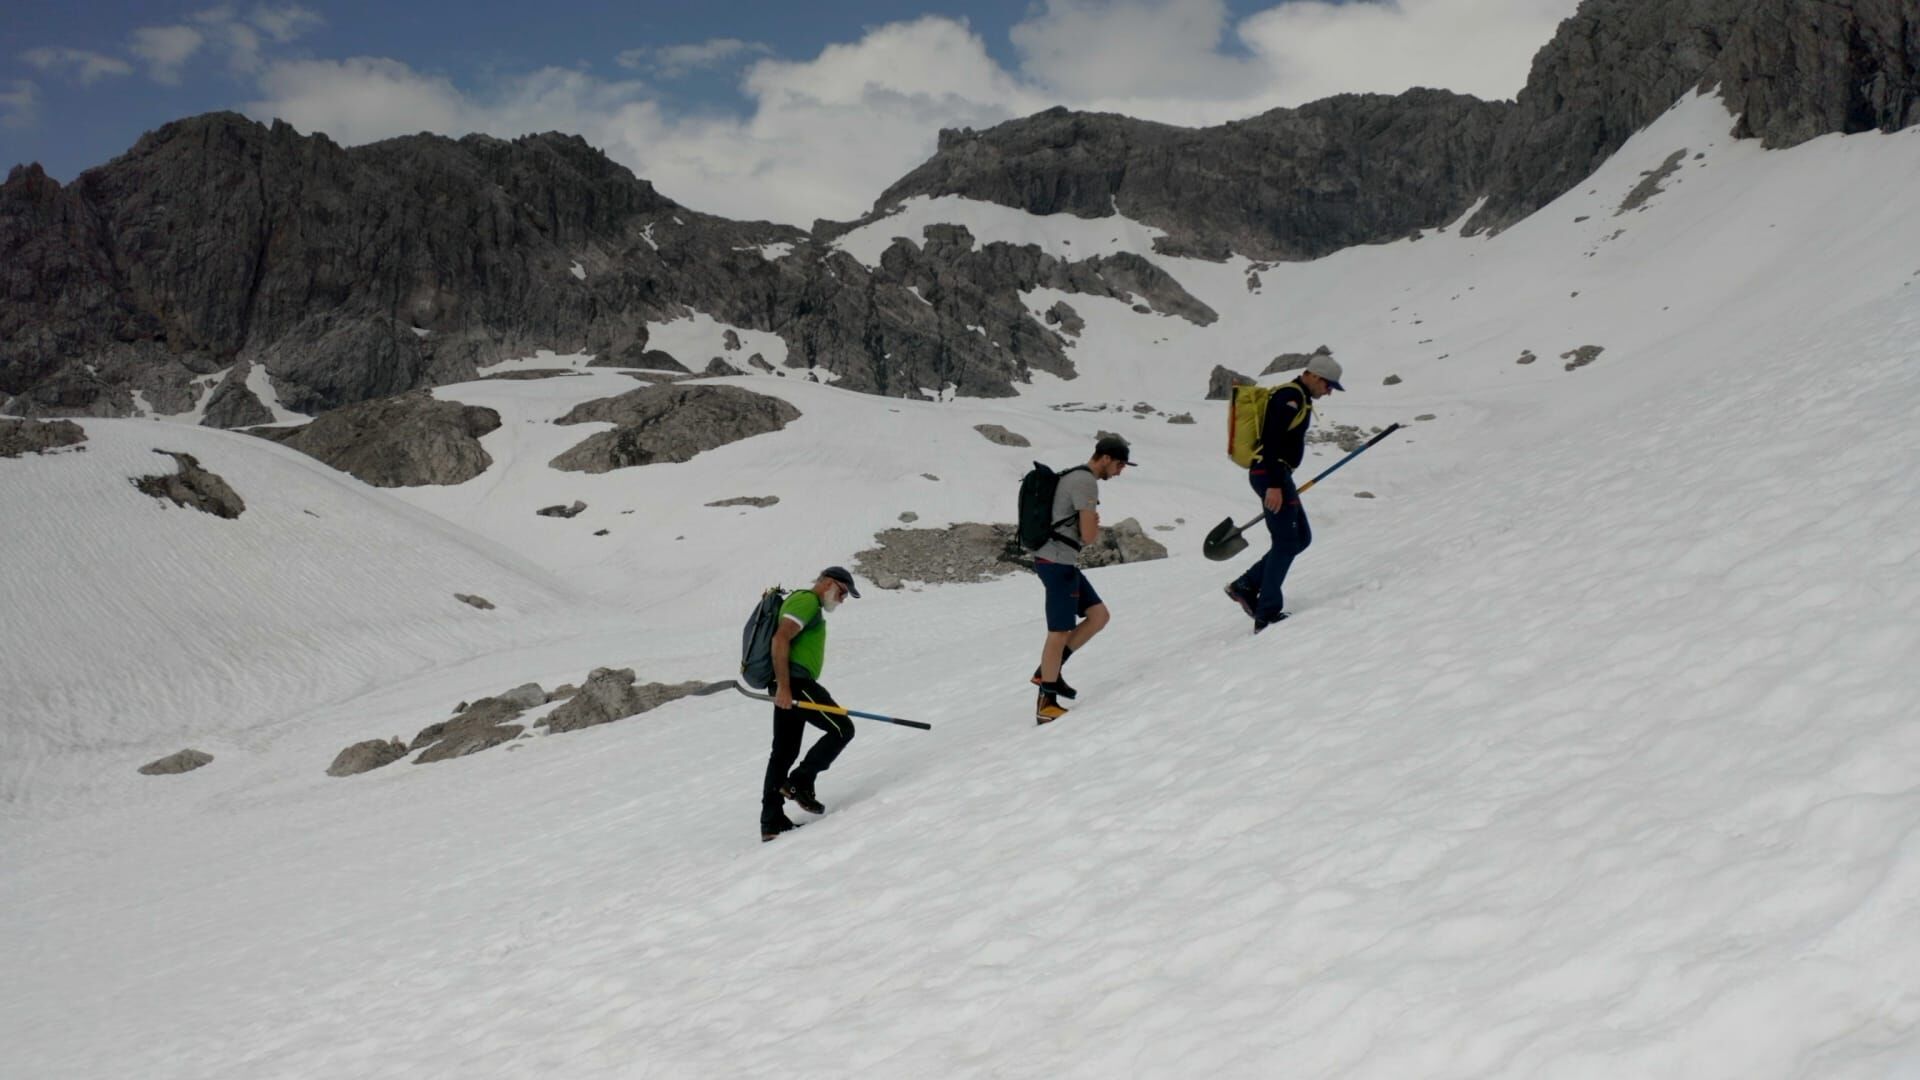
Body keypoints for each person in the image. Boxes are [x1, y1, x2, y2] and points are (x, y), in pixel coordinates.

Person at [1224, 354, 1343, 632]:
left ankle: (1246, 584)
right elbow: (1271, 440)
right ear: (1313, 375)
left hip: (1275, 474)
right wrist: (1275, 485)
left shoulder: (1298, 397)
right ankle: (1266, 614)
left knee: (1300, 538)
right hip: (1271, 474)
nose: (1328, 392)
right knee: (1286, 542)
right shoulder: (1290, 397)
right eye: (1328, 385)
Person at [1030, 434, 1132, 723]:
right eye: (1120, 465)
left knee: (1098, 615)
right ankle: (1046, 702)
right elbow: (1088, 536)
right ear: (1106, 458)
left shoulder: (1075, 475)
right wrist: (1092, 525)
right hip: (1057, 562)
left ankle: (1047, 671)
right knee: (1059, 632)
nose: (1120, 471)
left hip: (1060, 561)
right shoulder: (1085, 482)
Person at [762, 566, 861, 841]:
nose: (842, 600)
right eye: (842, 593)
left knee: (783, 752)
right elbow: (780, 639)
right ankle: (799, 782)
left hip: (790, 683)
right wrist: (783, 686)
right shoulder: (807, 601)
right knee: (842, 729)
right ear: (828, 583)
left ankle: (771, 822)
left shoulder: (805, 602)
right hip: (795, 683)